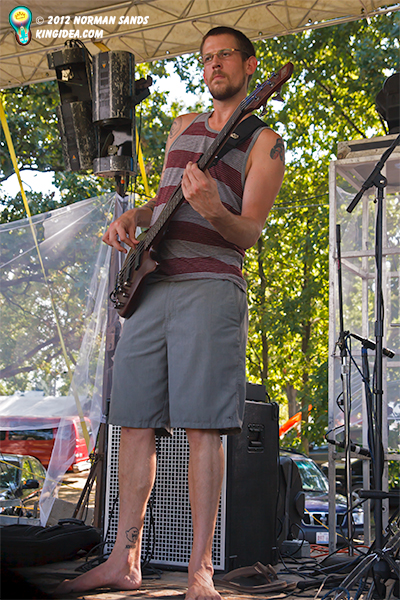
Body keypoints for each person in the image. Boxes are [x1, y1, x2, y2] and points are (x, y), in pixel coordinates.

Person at [58, 26, 285, 600]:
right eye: (206, 58)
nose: (213, 65)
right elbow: (163, 203)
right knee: (133, 422)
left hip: (211, 286)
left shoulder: (265, 142)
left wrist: (213, 209)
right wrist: (132, 218)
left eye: (225, 55)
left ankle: (199, 572)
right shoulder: (182, 126)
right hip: (151, 283)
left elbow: (249, 232)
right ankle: (124, 560)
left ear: (249, 65)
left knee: (203, 427)